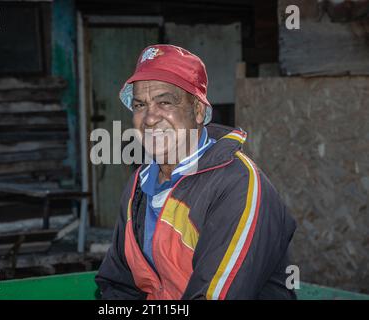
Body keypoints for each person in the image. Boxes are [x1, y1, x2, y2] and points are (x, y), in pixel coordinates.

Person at [95, 44, 297, 300]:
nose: (149, 118)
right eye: (139, 105)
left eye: (165, 102)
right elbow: (118, 284)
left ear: (198, 111)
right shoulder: (140, 184)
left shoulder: (237, 185)